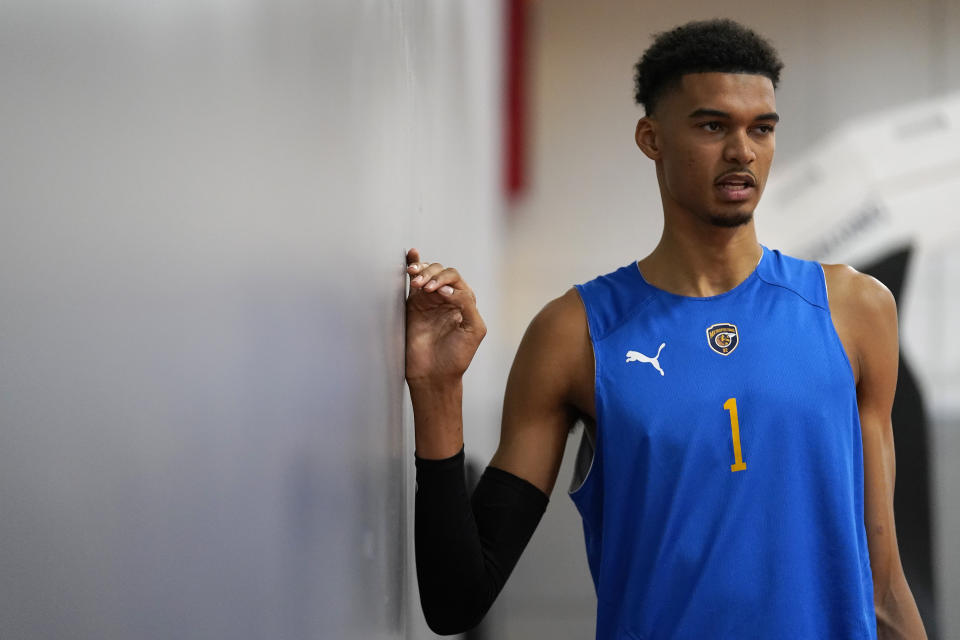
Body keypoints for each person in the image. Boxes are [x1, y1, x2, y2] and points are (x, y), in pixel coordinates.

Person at [405, 18, 927, 639]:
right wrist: (438, 391)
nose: (743, 152)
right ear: (651, 138)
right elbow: (455, 600)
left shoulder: (855, 310)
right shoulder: (574, 334)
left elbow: (884, 582)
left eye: (761, 128)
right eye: (713, 126)